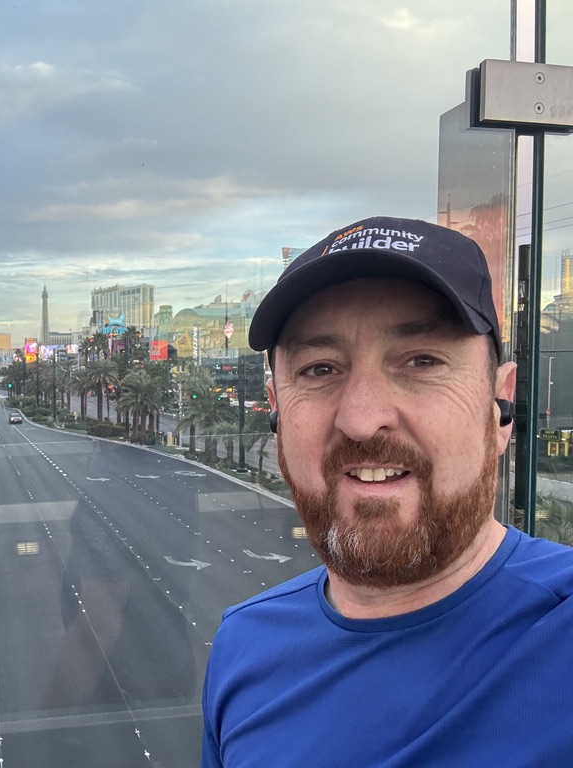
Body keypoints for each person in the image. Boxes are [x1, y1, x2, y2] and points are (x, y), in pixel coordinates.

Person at [200, 216, 573, 767]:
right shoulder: (243, 648)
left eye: (422, 361)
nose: (361, 419)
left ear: (499, 408)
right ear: (276, 410)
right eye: (320, 368)